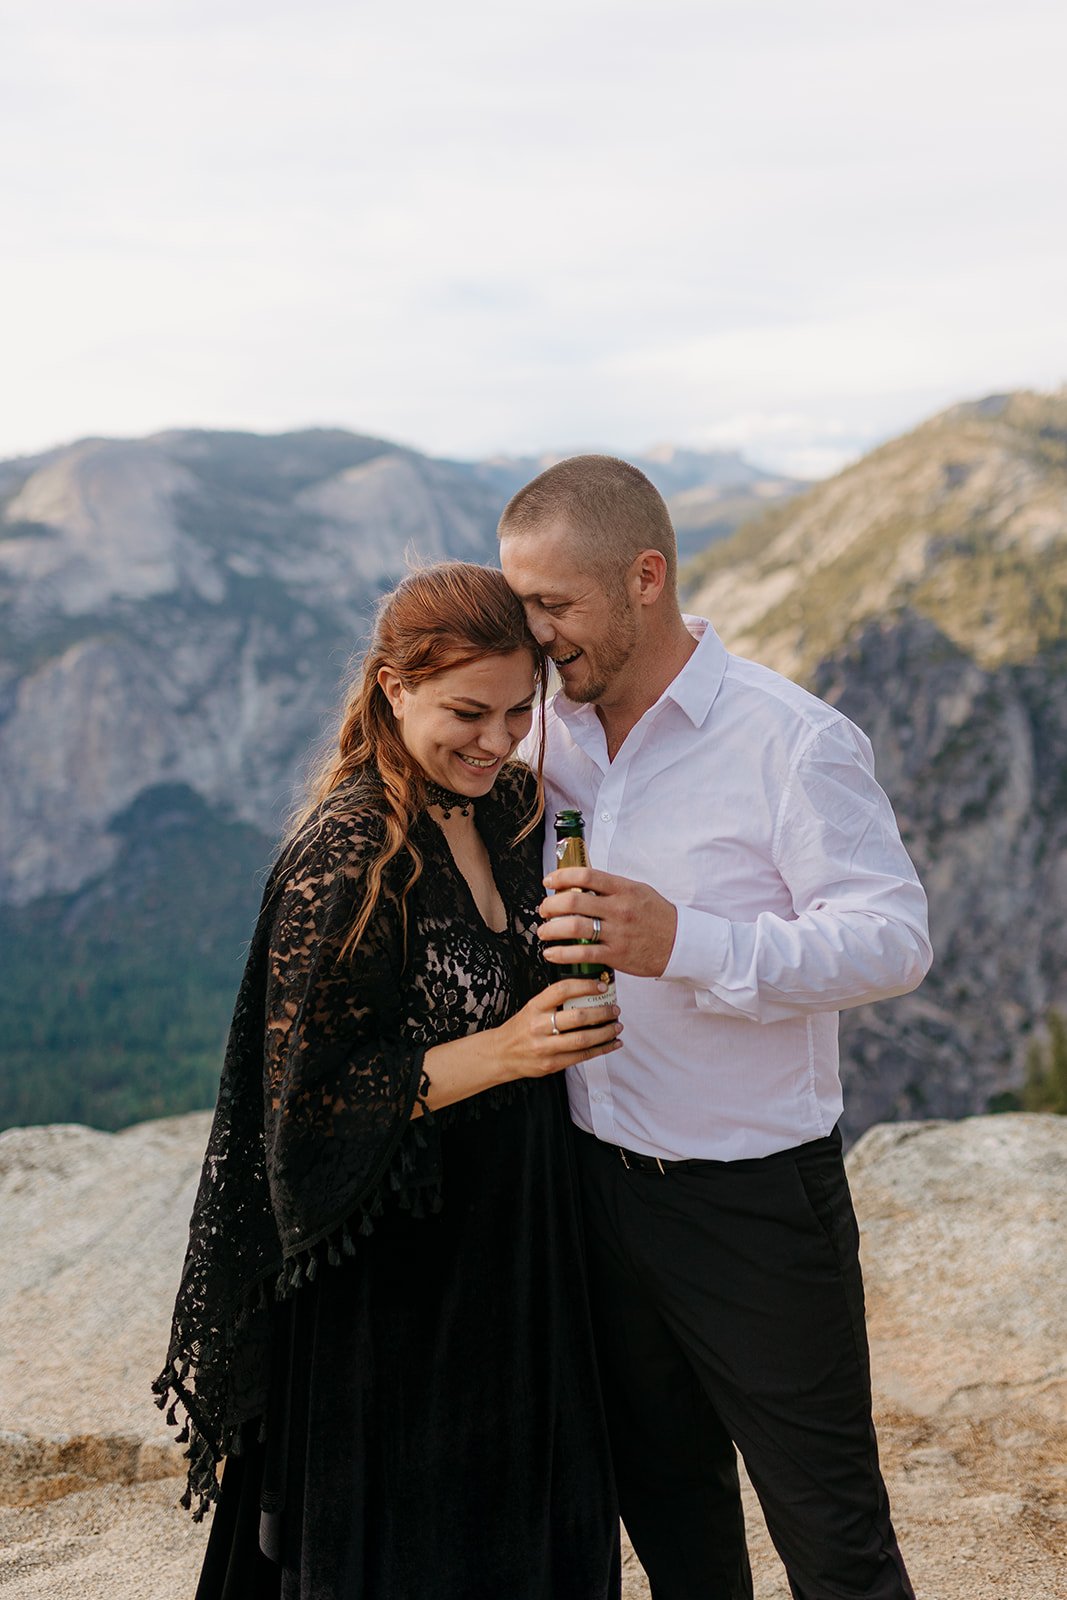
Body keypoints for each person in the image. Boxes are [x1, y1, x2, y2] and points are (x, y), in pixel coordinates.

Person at [498, 457, 933, 1600]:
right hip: (587, 1187)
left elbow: (891, 939)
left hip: (752, 1202)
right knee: (671, 1519)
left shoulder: (788, 738)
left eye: (553, 604)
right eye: (520, 602)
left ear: (644, 577)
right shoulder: (541, 732)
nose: (533, 633)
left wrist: (684, 941)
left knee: (831, 1535)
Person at [154, 562, 623, 1600]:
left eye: (518, 711)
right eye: (466, 712)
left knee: (532, 1523)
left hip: (520, 1238)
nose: (497, 740)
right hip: (400, 1274)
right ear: (392, 688)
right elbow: (306, 1111)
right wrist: (508, 1050)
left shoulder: (511, 808)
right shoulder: (348, 853)